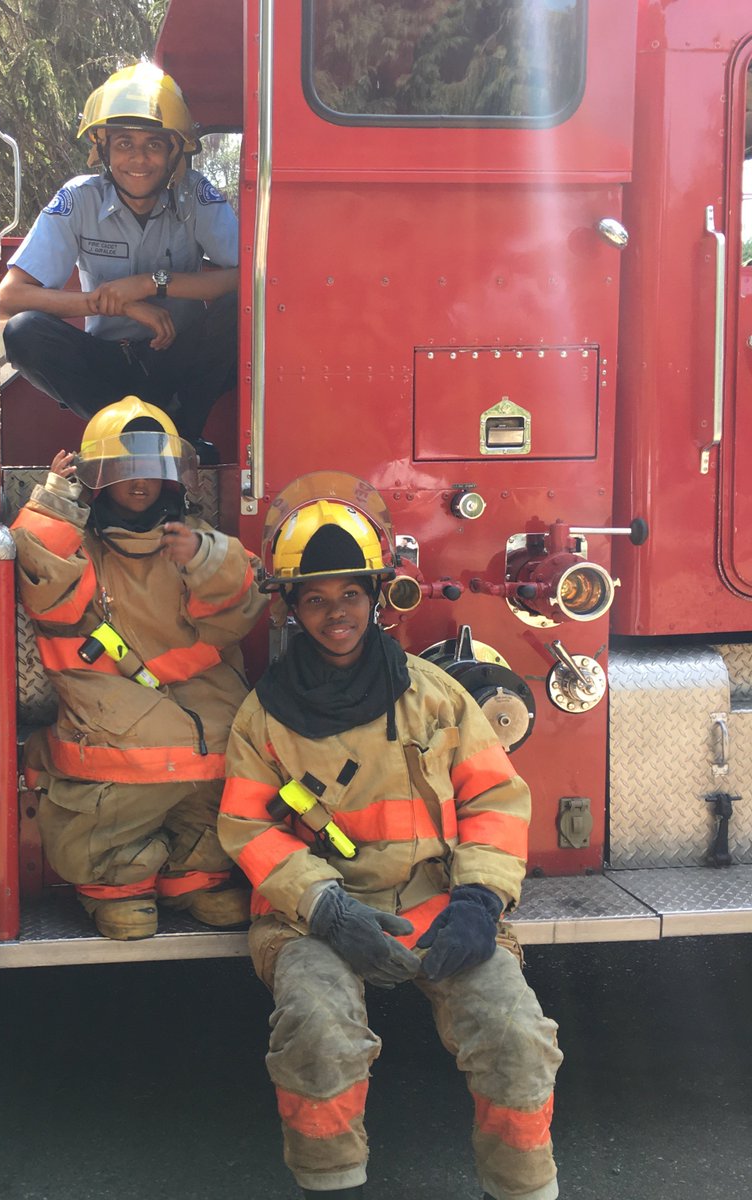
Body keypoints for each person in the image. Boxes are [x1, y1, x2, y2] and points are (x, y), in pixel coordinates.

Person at [218, 474, 562, 1200]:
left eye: (349, 595)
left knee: (517, 1035)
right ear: (292, 608)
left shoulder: (436, 697)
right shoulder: (263, 716)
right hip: (316, 920)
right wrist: (326, 909)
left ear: (375, 600)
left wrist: (480, 901)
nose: (334, 613)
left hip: (441, 905)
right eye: (315, 598)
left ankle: (525, 1186)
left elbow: (495, 799)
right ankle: (331, 1180)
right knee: (316, 1031)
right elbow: (247, 827)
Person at [11, 396, 266, 939]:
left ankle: (193, 877)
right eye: (125, 470)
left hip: (206, 732)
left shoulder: (192, 543)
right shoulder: (82, 550)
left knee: (211, 802)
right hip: (116, 732)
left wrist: (203, 555)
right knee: (110, 816)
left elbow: (239, 611)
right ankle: (116, 888)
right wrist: (55, 502)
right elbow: (47, 591)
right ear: (95, 480)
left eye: (151, 470)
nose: (140, 482)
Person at [0, 62, 238, 460]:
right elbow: (10, 298)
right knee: (24, 332)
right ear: (103, 147)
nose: (138, 159)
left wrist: (150, 283)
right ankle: (117, 438)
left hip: (178, 362)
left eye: (154, 144)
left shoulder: (196, 196)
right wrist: (115, 302)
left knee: (237, 312)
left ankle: (184, 437)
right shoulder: (78, 200)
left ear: (175, 150)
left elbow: (248, 278)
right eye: (125, 143)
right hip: (107, 367)